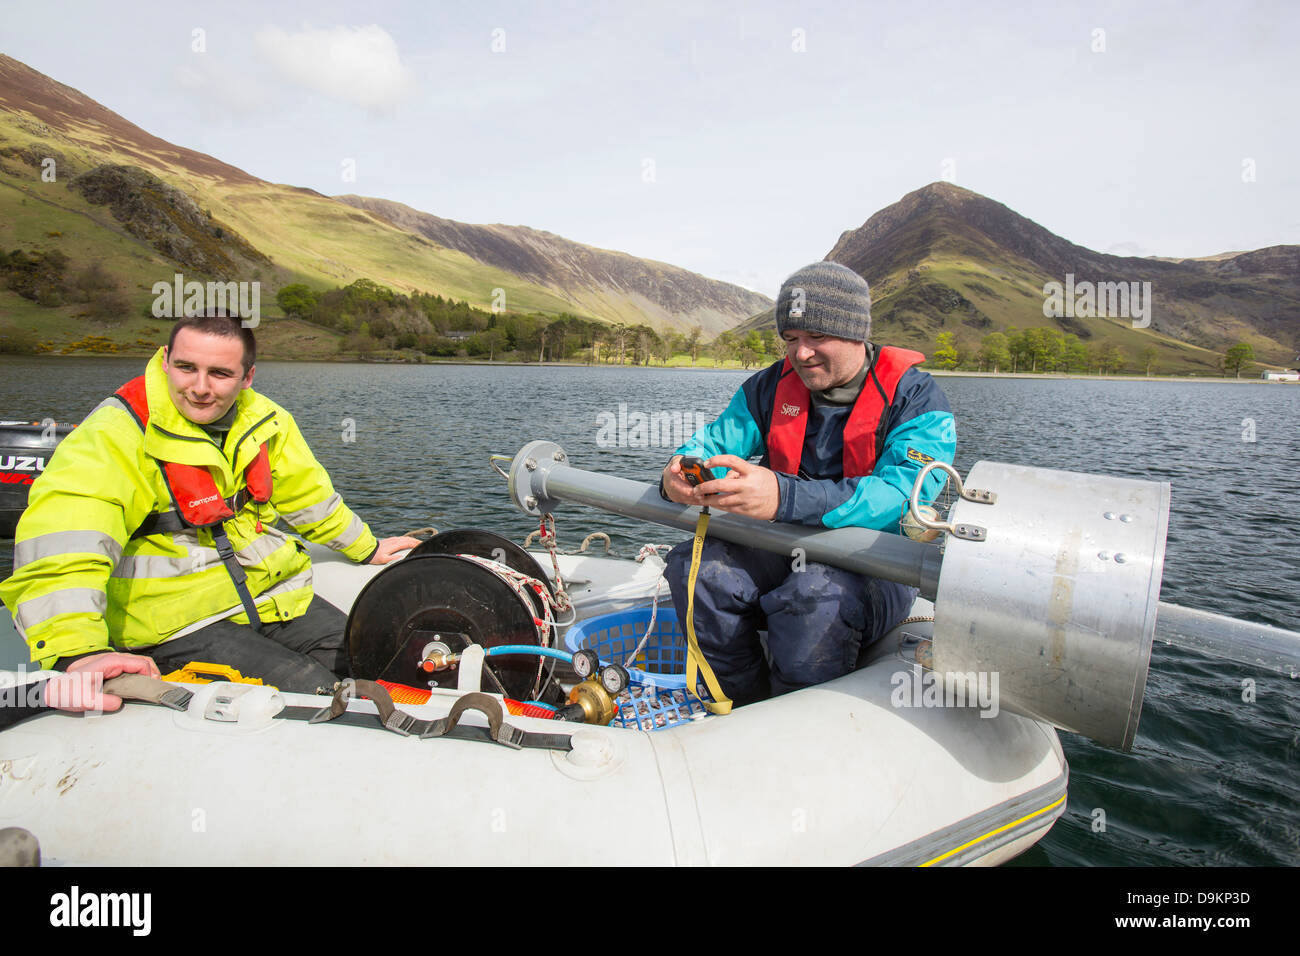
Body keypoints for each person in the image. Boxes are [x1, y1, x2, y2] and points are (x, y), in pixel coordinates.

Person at [0, 313, 419, 693]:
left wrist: (367, 547)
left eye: (219, 373)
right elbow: (65, 539)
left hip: (270, 594)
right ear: (165, 360)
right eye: (186, 368)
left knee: (385, 661)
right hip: (174, 620)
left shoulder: (268, 421)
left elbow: (310, 497)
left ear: (247, 377)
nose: (200, 388)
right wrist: (78, 651)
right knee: (317, 691)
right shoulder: (114, 432)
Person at [659, 261, 956, 705]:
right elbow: (712, 445)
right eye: (792, 339)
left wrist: (782, 496)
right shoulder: (767, 387)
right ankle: (740, 705)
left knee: (811, 595)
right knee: (695, 571)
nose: (801, 354)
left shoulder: (917, 398)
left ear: (856, 332)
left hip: (875, 564)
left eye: (817, 337)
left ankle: (797, 726)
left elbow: (902, 496)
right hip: (782, 546)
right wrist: (678, 472)